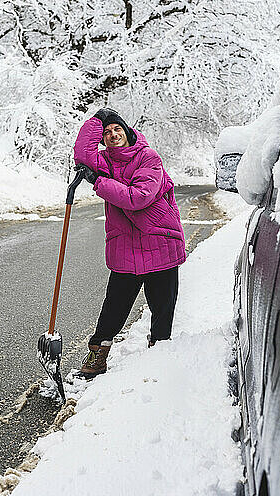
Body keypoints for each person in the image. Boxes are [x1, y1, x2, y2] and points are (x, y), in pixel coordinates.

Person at [73, 108, 186, 379]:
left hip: (160, 241)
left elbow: (139, 197)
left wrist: (99, 182)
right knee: (113, 308)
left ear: (127, 131)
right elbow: (82, 156)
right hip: (125, 244)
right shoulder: (105, 161)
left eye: (117, 129)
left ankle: (159, 354)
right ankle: (98, 356)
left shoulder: (148, 157)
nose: (112, 135)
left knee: (162, 309)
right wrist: (95, 121)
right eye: (107, 133)